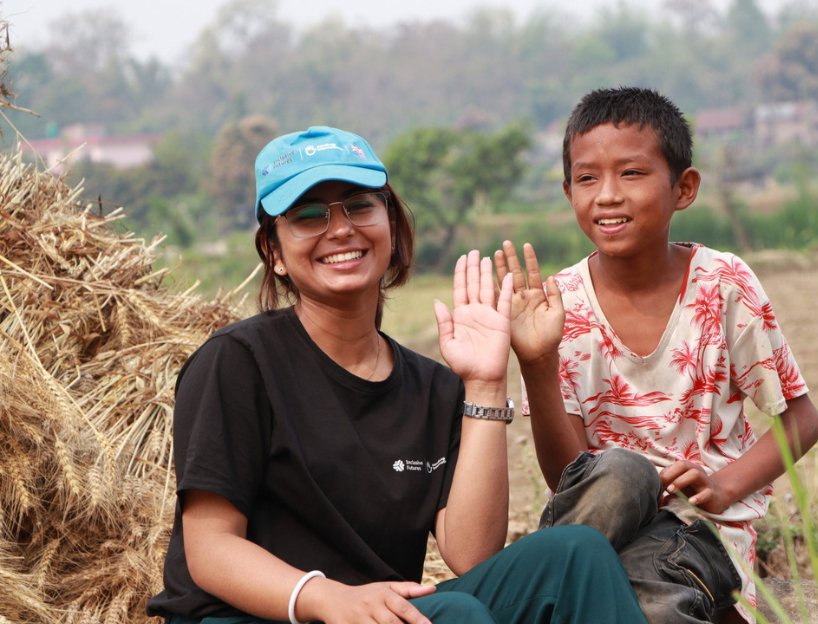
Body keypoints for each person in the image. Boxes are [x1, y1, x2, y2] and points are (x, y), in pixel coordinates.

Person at [146, 126, 650, 624]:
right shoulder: (238, 362)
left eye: (359, 206)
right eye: (309, 216)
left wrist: (485, 384)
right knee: (452, 613)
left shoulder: (434, 388)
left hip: (384, 611)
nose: (340, 229)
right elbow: (210, 550)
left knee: (576, 554)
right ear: (274, 253)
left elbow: (471, 554)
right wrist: (326, 598)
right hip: (260, 615)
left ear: (391, 227)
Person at [494, 88, 818, 624]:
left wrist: (723, 486)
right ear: (567, 191)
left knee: (656, 604)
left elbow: (801, 421)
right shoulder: (561, 307)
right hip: (602, 522)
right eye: (586, 178)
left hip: (697, 530)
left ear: (683, 188)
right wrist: (535, 364)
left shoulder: (723, 285)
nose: (606, 195)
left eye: (631, 173)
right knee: (622, 473)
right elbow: (567, 478)